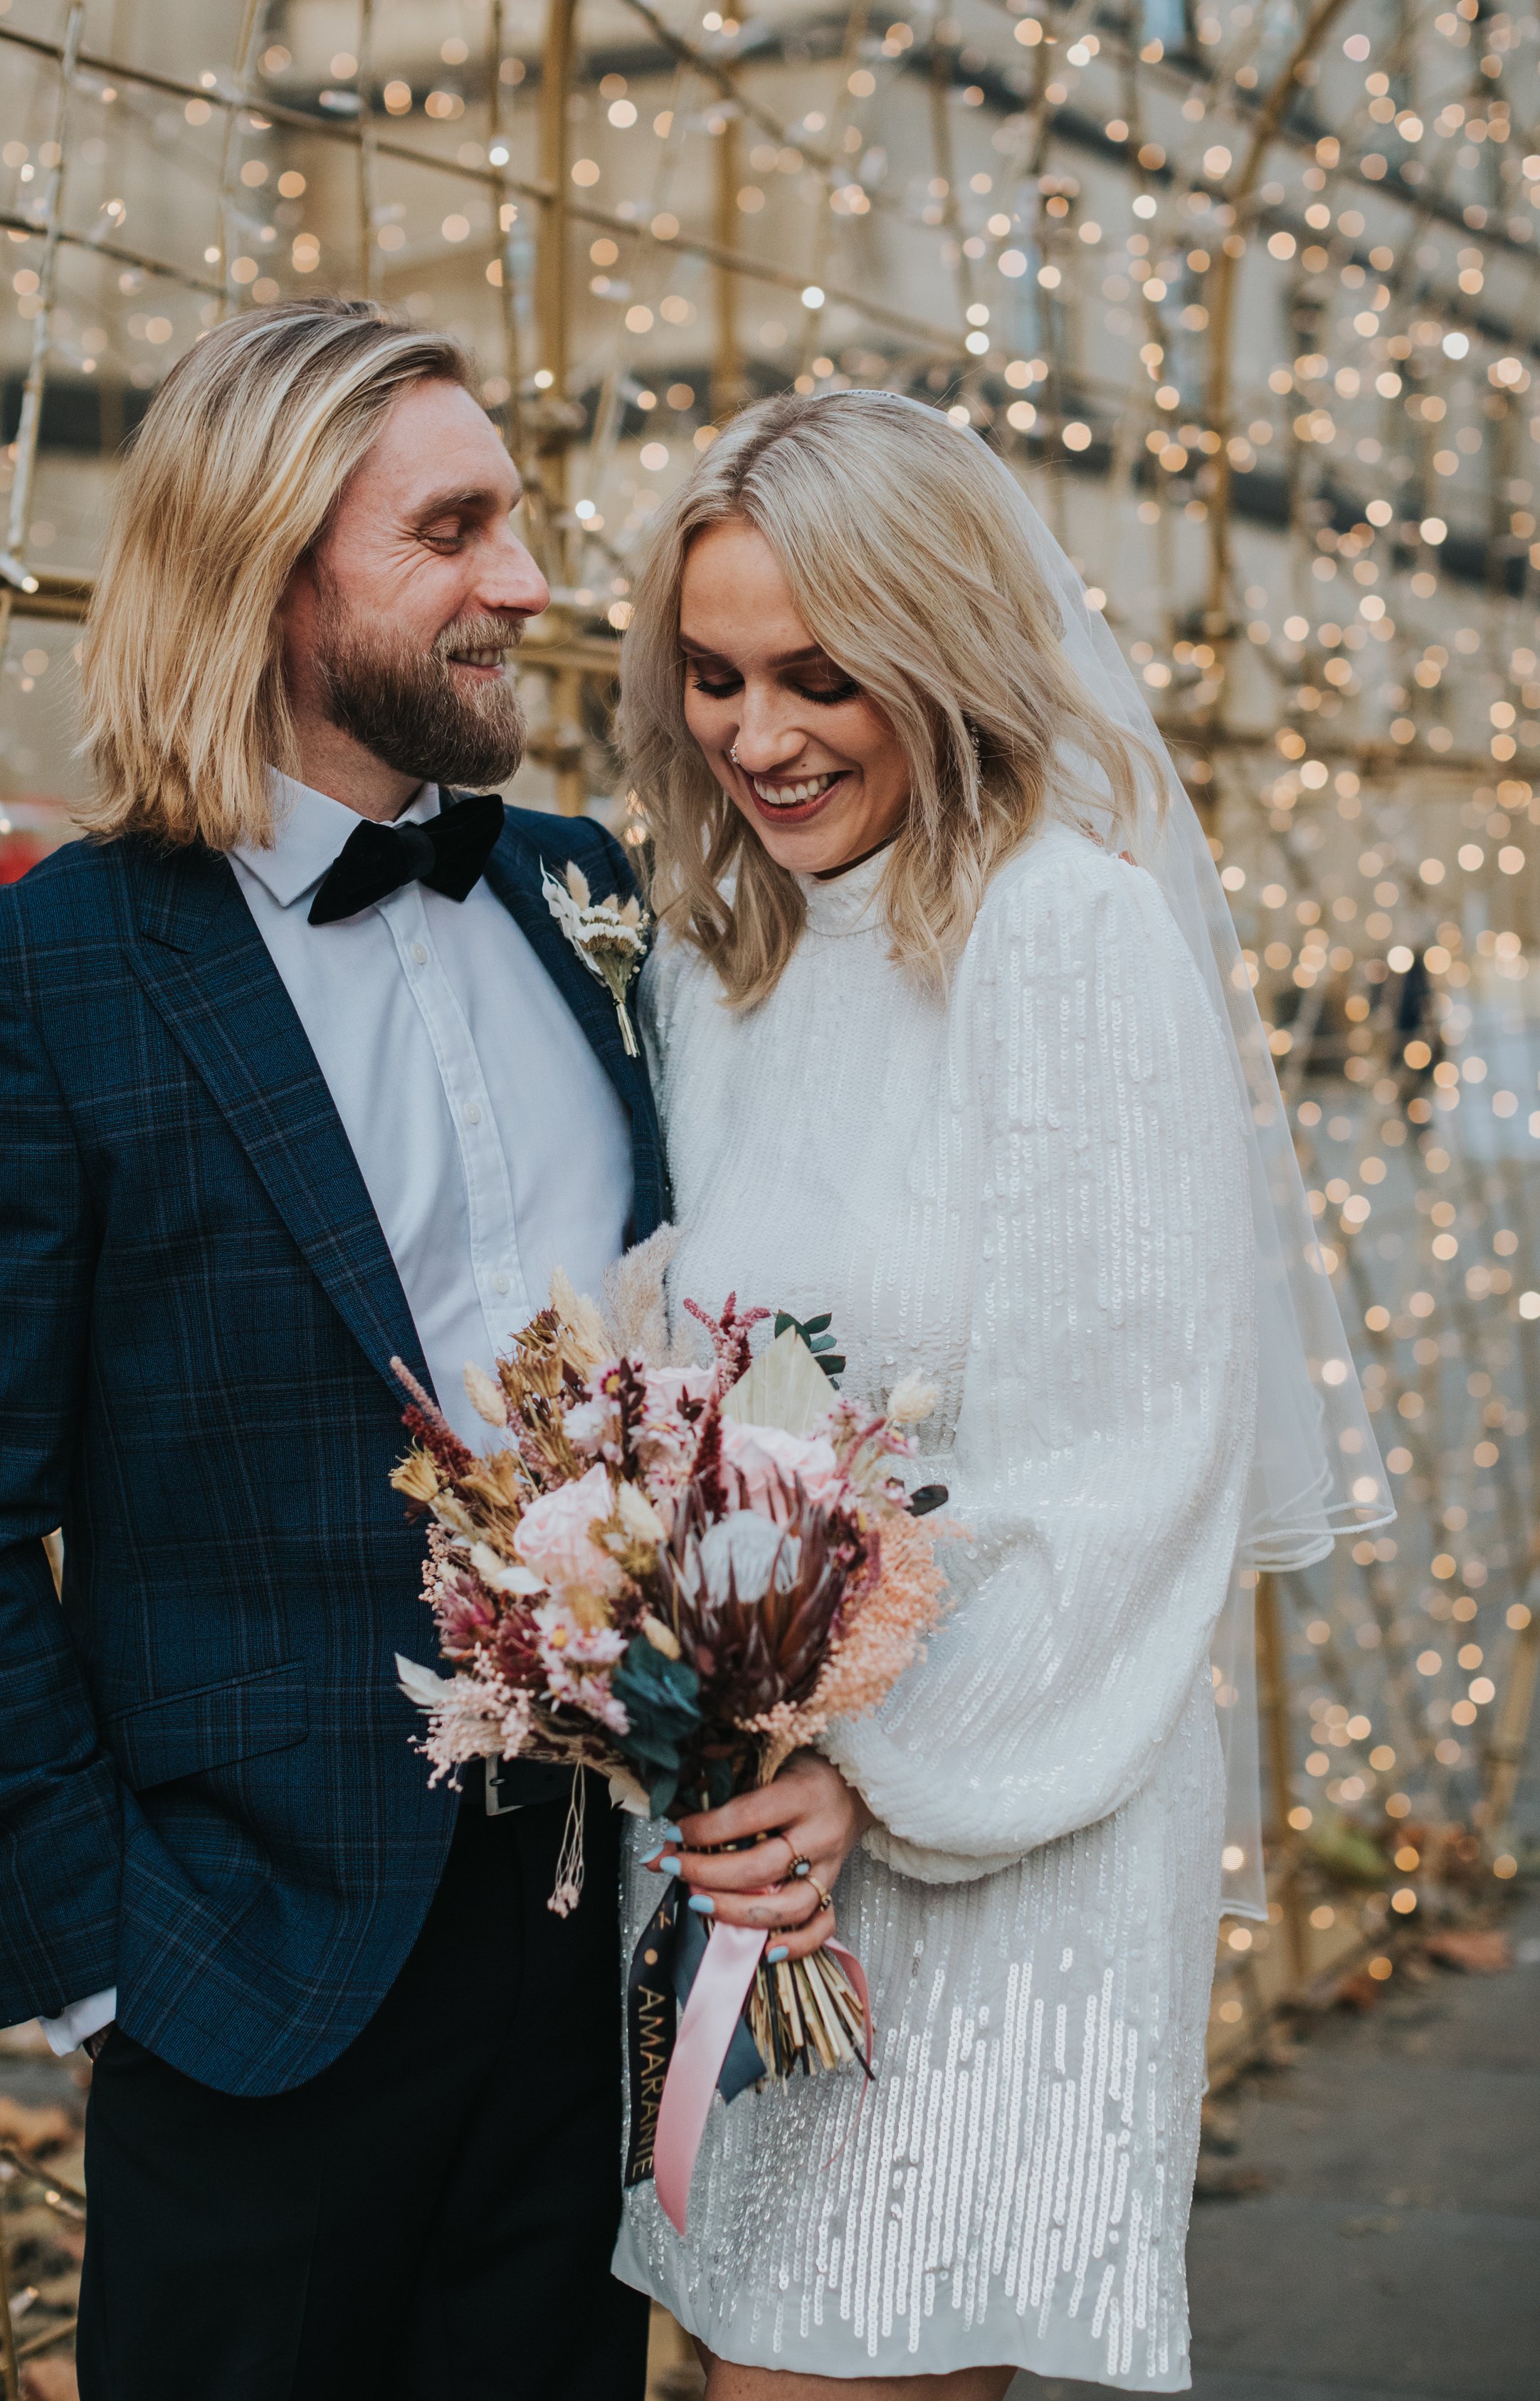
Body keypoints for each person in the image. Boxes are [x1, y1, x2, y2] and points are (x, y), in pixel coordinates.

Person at [0, 300, 658, 2401]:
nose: (526, 582)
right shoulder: (35, 980)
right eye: (453, 530)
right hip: (250, 1963)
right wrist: (104, 1956)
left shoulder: (590, 898)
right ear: (272, 566)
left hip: (597, 1938)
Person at [611, 389, 1388, 2397]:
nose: (756, 735)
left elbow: (1135, 1461)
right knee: (730, 2359)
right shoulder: (722, 965)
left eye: (819, 677)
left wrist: (871, 1769)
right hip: (753, 1837)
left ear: (941, 659)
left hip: (1002, 1807)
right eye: (710, 676)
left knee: (838, 2370)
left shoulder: (1066, 936)